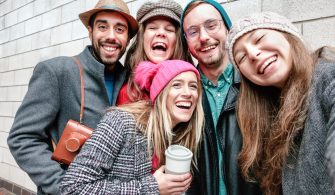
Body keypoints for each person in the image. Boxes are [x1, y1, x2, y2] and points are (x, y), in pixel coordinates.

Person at [7, 0, 138, 194]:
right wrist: (65, 186)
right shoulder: (57, 71)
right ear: (90, 31)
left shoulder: (132, 81)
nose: (111, 36)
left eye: (120, 29)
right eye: (103, 27)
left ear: (127, 39)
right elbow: (22, 138)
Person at [226, 11, 335, 194]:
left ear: (288, 36)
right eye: (241, 57)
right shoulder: (273, 118)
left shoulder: (327, 77)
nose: (252, 54)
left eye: (259, 38)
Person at [60, 60, 204, 194]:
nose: (187, 93)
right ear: (160, 93)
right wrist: (152, 188)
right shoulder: (120, 122)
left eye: (193, 86)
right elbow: (73, 187)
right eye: (176, 85)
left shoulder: (181, 137)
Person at [180, 0, 261, 194]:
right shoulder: (184, 96)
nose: (204, 37)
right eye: (193, 32)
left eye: (211, 25)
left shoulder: (257, 82)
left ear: (227, 29)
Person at [117, 0, 193, 105]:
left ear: (177, 41)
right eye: (152, 28)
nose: (161, 33)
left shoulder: (191, 88)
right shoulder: (128, 93)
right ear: (142, 38)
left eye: (169, 30)